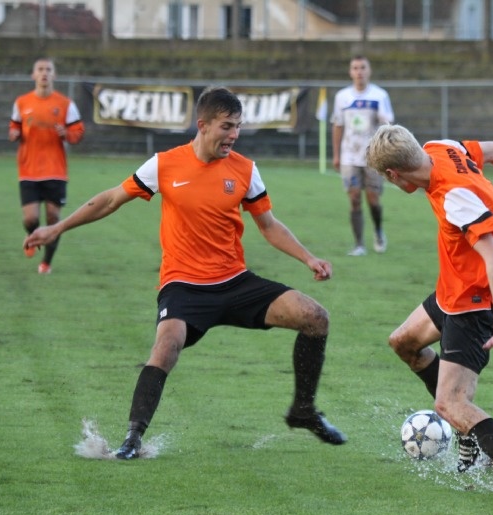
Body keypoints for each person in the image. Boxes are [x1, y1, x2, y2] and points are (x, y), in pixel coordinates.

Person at [24, 87, 346, 459]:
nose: (234, 135)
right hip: (184, 286)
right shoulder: (164, 165)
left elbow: (269, 225)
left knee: (315, 317)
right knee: (166, 347)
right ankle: (132, 440)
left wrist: (308, 258)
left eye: (238, 127)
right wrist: (56, 228)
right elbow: (111, 199)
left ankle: (303, 411)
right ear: (203, 124)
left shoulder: (245, 169)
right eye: (227, 126)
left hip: (235, 282)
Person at [365, 124, 493, 492]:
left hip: (475, 301)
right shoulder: (443, 148)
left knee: (448, 403)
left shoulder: (455, 200)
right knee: (403, 342)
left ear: (392, 175)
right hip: (454, 288)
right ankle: (468, 431)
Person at [9, 57, 85, 275]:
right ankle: (33, 237)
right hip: (28, 170)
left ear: (54, 75)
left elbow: (78, 132)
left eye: (48, 69)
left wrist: (67, 134)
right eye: (40, 69)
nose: (44, 73)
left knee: (53, 218)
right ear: (33, 75)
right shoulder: (22, 102)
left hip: (55, 170)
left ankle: (46, 263)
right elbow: (14, 125)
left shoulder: (65, 104)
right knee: (30, 218)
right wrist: (13, 133)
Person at [331, 55, 395, 256]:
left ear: (369, 71)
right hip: (349, 156)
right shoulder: (342, 97)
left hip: (373, 156)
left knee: (373, 198)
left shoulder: (379, 95)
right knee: (354, 197)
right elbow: (338, 125)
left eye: (363, 68)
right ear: (351, 72)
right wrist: (336, 154)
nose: (359, 72)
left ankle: (378, 231)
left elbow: (388, 124)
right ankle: (359, 244)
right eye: (355, 68)